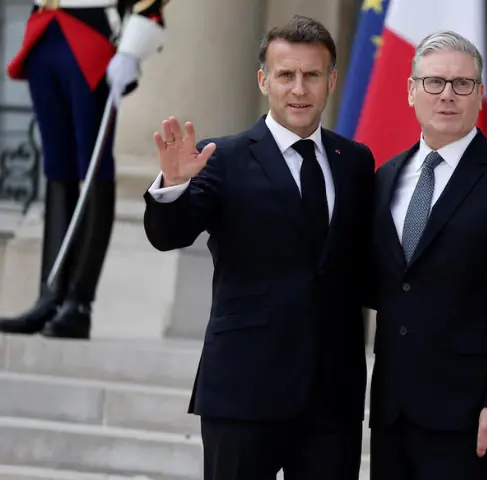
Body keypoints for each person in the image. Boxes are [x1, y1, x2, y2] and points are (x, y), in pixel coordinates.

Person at [142, 15, 374, 480]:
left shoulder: (355, 161)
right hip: (243, 391)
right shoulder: (220, 157)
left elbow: (362, 265)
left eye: (312, 75)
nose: (299, 89)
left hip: (332, 399)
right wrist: (172, 186)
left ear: (331, 81)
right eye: (286, 75)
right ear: (264, 80)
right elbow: (170, 235)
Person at [367, 30, 487, 479]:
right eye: (434, 82)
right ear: (412, 91)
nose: (447, 95)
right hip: (393, 414)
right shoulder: (386, 176)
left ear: (479, 94)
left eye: (462, 83)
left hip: (474, 417)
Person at [0, 0, 169, 339]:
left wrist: (132, 48)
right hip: (45, 29)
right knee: (57, 168)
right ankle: (50, 296)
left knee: (93, 167)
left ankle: (79, 301)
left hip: (91, 31)